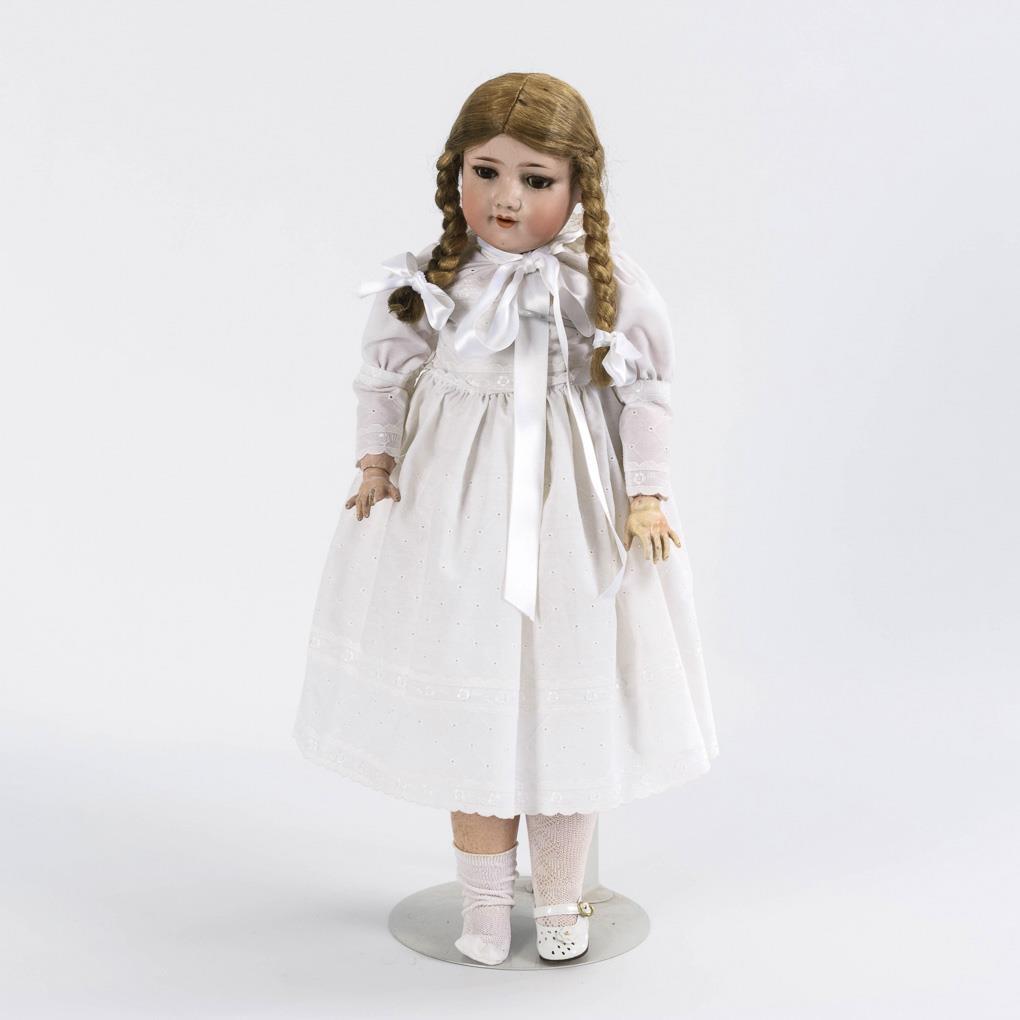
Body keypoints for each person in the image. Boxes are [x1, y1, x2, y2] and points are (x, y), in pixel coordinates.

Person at [292, 71, 719, 965]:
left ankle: (561, 898)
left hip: (569, 508)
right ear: (455, 172)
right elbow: (383, 374)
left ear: (578, 186)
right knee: (471, 705)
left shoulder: (597, 281)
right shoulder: (434, 277)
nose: (507, 198)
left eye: (536, 179)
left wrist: (646, 492)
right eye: (485, 172)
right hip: (455, 508)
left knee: (566, 702)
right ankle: (485, 904)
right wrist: (376, 461)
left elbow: (645, 388)